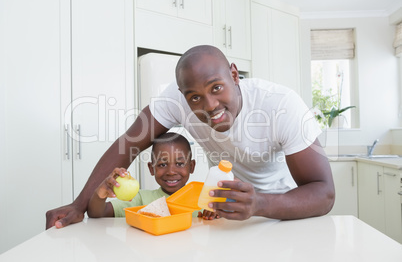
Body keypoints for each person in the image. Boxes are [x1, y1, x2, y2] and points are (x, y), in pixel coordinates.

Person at [46, 45, 335, 229]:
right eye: (195, 97)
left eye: (217, 88)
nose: (209, 106)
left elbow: (324, 193)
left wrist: (260, 204)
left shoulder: (280, 105)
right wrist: (79, 204)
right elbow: (128, 144)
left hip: (283, 213)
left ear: (234, 75)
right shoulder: (176, 98)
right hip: (225, 216)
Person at [87, 132, 218, 220]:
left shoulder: (205, 199)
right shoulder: (140, 199)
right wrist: (100, 194)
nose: (171, 171)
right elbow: (97, 213)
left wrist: (214, 216)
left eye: (179, 164)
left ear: (191, 166)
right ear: (151, 168)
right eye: (162, 165)